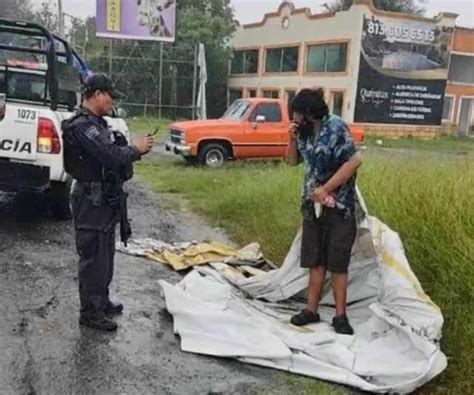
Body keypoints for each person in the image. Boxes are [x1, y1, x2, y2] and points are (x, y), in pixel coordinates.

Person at [62, 74, 154, 332]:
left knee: (105, 254)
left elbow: (112, 154)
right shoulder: (83, 126)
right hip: (90, 199)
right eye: (111, 96)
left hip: (103, 199)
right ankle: (90, 313)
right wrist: (136, 149)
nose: (113, 102)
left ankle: (101, 301)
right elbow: (110, 156)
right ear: (98, 94)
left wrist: (130, 148)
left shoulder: (98, 123)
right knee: (93, 257)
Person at [286, 88, 362, 335]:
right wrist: (290, 139)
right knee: (315, 260)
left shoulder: (336, 127)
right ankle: (311, 310)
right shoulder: (303, 133)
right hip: (312, 206)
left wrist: (327, 188)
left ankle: (340, 317)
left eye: (297, 113)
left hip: (339, 205)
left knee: (338, 263)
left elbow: (354, 162)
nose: (294, 117)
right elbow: (291, 162)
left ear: (309, 113)